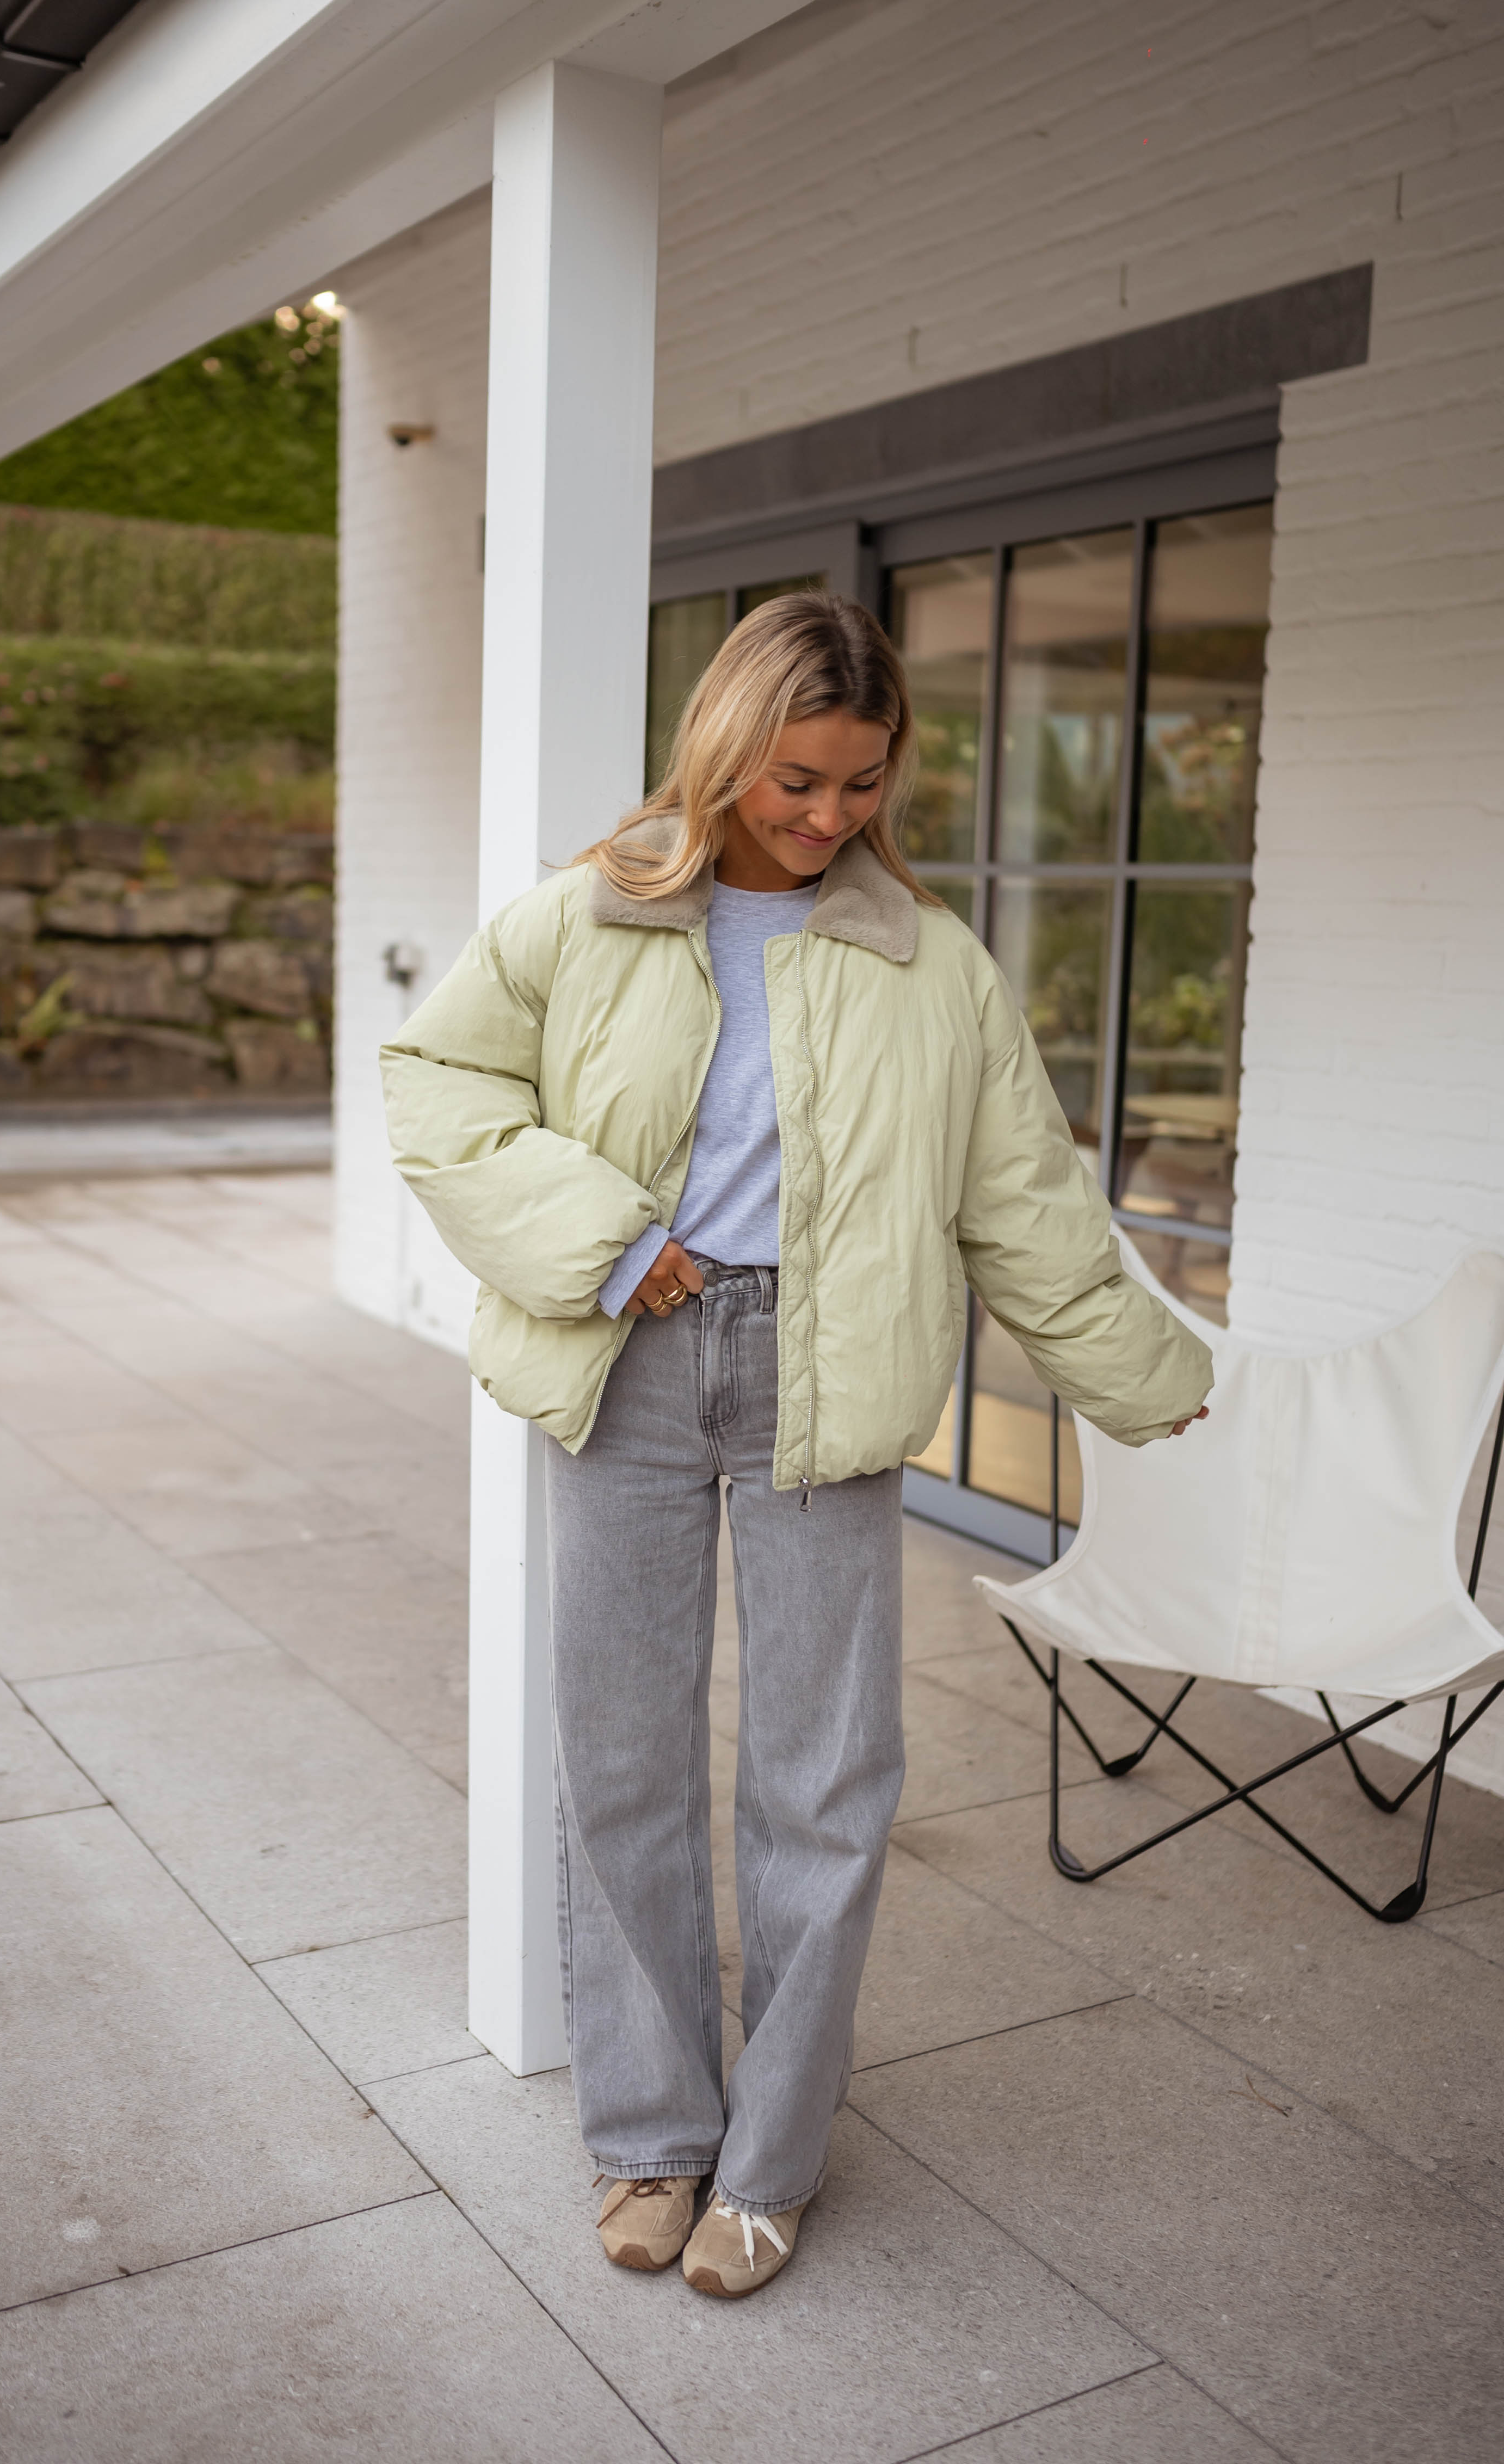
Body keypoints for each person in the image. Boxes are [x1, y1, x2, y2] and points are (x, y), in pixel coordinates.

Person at [381, 593, 1211, 2299]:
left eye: (862, 782)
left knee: (824, 1781)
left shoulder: (932, 962)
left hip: (827, 1374)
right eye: (798, 779)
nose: (830, 814)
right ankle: (650, 2134)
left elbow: (1023, 1194)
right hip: (628, 1356)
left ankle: (768, 2158)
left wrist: (1138, 1367)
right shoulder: (583, 916)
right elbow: (438, 1087)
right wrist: (606, 1240)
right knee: (622, 1759)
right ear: (724, 749)